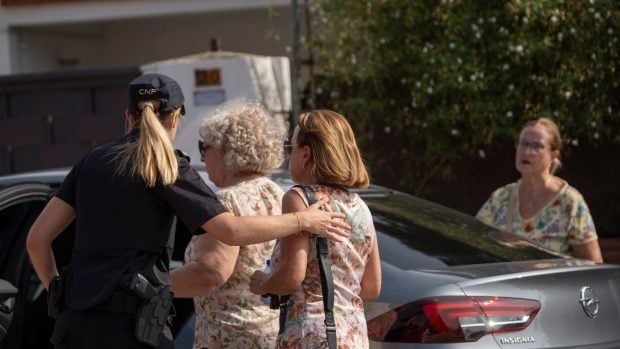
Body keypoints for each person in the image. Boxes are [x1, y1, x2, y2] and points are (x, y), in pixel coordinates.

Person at [25, 74, 350, 349]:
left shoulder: (90, 162)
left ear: (128, 116)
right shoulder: (167, 166)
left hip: (75, 325)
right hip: (132, 326)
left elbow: (37, 240)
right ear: (176, 116)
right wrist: (302, 220)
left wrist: (59, 293)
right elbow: (230, 231)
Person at [249, 109, 382, 349]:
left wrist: (264, 283)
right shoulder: (359, 205)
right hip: (353, 335)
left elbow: (291, 277)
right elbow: (372, 287)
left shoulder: (299, 198)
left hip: (310, 332)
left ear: (306, 154)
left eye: (291, 147)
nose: (289, 155)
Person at [170, 101, 284, 348]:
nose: (203, 157)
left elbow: (209, 273)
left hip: (229, 335)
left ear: (224, 151)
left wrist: (151, 288)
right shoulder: (278, 194)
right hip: (272, 331)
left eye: (204, 147)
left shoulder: (226, 201)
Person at [476, 117, 603, 263]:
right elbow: (472, 239)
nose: (527, 152)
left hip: (549, 285)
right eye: (523, 143)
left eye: (536, 146)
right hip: (502, 285)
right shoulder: (500, 197)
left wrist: (540, 259)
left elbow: (593, 262)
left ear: (553, 155)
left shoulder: (569, 202)